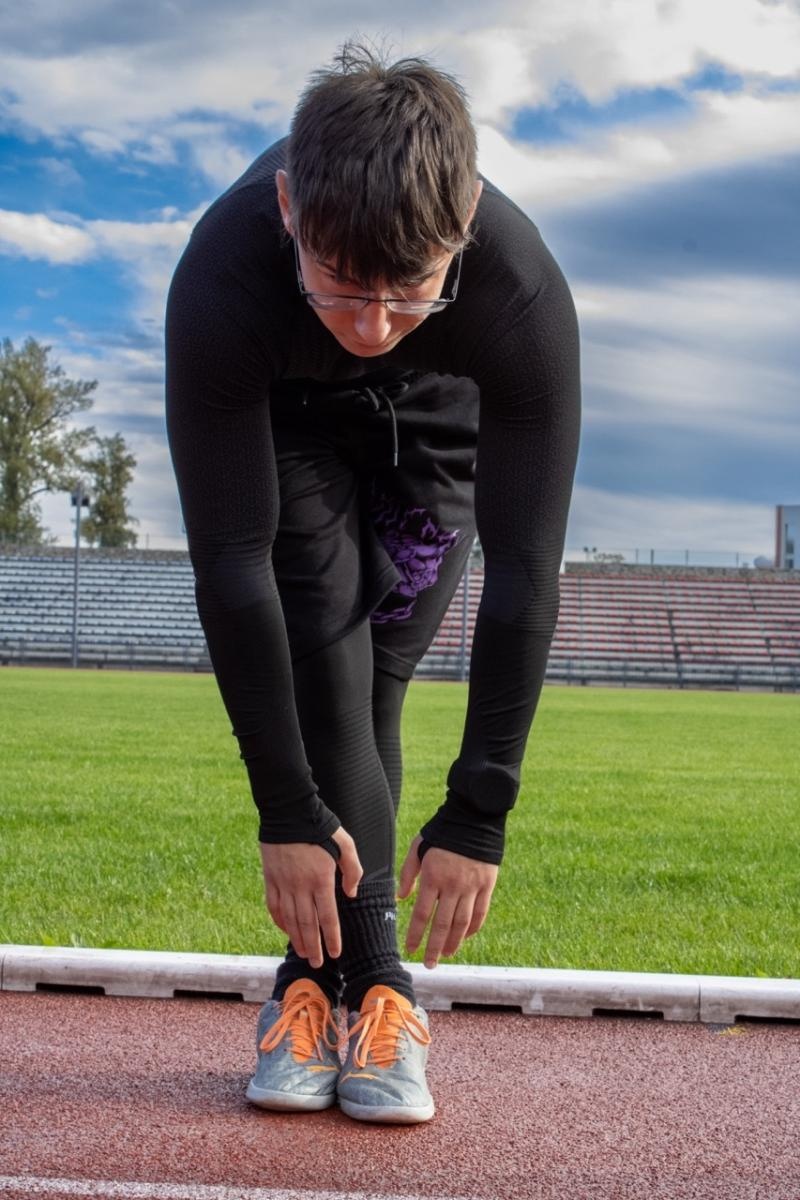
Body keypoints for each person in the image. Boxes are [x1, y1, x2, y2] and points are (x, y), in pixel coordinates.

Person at [165, 41, 580, 1125]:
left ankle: (312, 981)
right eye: (344, 287)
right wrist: (283, 811)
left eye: (410, 290)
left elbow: (526, 567)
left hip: (436, 427)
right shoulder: (224, 274)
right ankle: (374, 985)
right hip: (287, 429)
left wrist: (479, 809)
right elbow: (229, 560)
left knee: (375, 687)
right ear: (291, 208)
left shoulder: (518, 292)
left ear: (468, 220)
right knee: (326, 663)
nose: (371, 324)